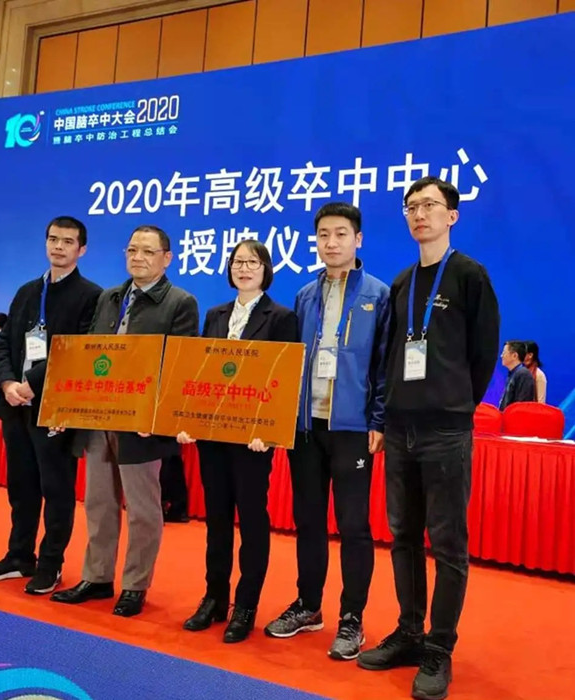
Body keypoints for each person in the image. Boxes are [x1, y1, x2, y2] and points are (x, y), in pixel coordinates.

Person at [357, 176, 499, 700]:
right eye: (411, 206)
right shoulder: (401, 283)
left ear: (452, 215)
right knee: (402, 536)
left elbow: (483, 353)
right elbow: (390, 353)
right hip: (399, 428)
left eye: (430, 206)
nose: (419, 214)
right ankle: (410, 633)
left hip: (445, 429)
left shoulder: (469, 275)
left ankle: (439, 647)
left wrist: (454, 401)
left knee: (448, 543)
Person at [50, 225, 199, 617]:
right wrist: (72, 406)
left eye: (148, 251)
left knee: (143, 509)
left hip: (142, 422)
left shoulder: (180, 302)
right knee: (99, 503)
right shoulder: (110, 297)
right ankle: (97, 577)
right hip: (100, 415)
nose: (138, 258)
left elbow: (179, 364)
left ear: (167, 258)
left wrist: (157, 415)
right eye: (132, 250)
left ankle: (135, 584)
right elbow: (89, 353)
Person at [265, 202, 390, 661]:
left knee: (354, 524)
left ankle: (352, 618)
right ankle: (308, 605)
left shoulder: (378, 294)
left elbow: (384, 363)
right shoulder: (304, 295)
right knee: (309, 520)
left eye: (340, 234)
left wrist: (379, 419)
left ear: (358, 240)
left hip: (352, 427)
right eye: (323, 235)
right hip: (306, 426)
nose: (331, 242)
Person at [0, 216, 102, 595]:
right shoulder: (28, 291)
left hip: (55, 407)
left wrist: (32, 383)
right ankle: (19, 556)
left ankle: (50, 564)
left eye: (67, 241)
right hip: (15, 404)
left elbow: (78, 352)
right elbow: (3, 343)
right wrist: (7, 383)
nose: (58, 247)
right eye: (53, 239)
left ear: (82, 249)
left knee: (56, 489)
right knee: (21, 485)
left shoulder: (91, 296)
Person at [179, 240, 298, 643]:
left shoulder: (281, 317)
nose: (244, 268)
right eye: (237, 262)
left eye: (252, 262)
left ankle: (245, 605)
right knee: (216, 520)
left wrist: (269, 429)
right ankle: (214, 597)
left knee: (251, 520)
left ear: (266, 269)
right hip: (213, 434)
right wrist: (190, 420)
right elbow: (201, 371)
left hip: (253, 439)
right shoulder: (215, 314)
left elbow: (284, 377)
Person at [499, 341, 535, 410]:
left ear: (514, 356)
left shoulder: (524, 374)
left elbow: (521, 405)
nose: (501, 356)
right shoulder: (513, 373)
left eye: (504, 353)